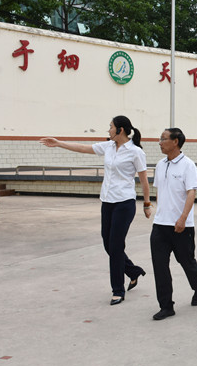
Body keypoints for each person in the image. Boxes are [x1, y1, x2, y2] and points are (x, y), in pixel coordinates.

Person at [39, 116, 150, 305]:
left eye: (111, 127)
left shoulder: (135, 152)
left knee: (116, 246)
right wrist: (58, 143)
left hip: (124, 203)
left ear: (120, 130)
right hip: (107, 202)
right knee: (108, 244)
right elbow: (83, 148)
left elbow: (144, 180)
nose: (108, 130)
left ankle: (118, 290)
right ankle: (133, 271)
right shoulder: (108, 147)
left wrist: (146, 204)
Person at [150, 128, 197, 320]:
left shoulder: (187, 165)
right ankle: (166, 306)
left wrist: (183, 218)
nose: (160, 142)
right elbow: (160, 191)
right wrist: (160, 212)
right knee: (160, 266)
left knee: (186, 261)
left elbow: (191, 192)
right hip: (160, 225)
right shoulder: (160, 165)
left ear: (175, 141)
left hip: (182, 225)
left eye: (163, 139)